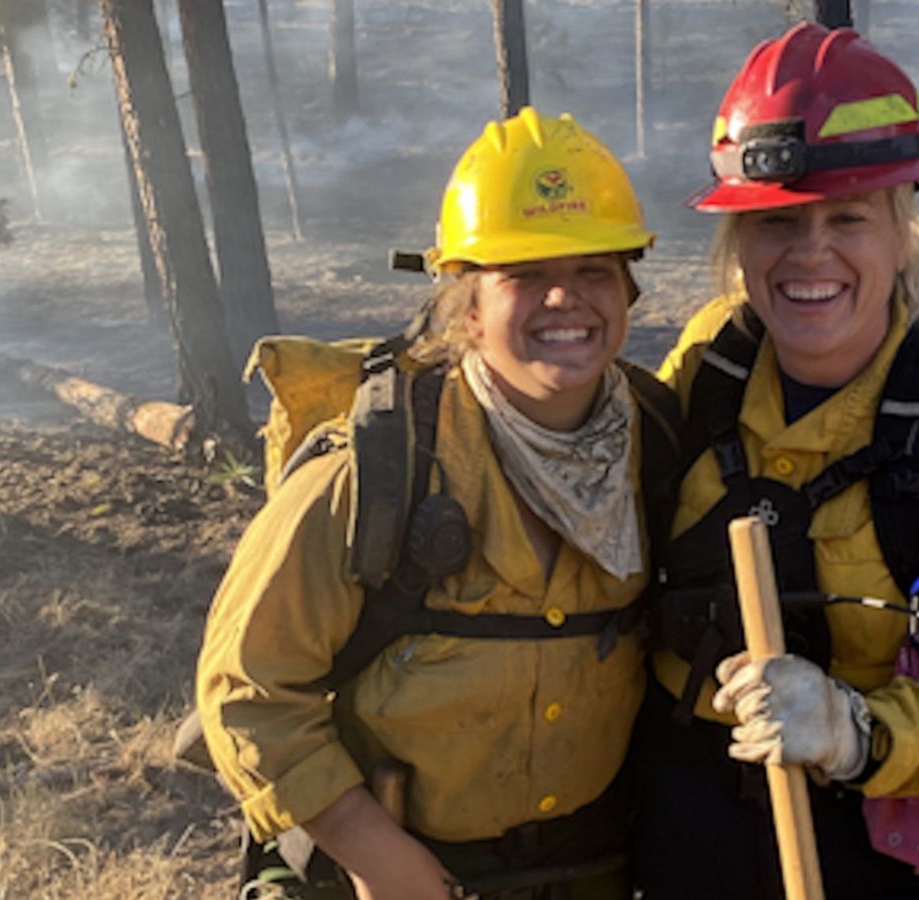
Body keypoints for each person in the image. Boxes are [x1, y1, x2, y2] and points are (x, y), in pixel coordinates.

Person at [632, 23, 919, 899]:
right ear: (738, 245)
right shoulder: (709, 365)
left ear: (900, 231)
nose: (811, 253)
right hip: (683, 816)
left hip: (869, 836)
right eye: (777, 223)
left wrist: (853, 731)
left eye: (847, 217)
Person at [196, 107, 675, 900]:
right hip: (395, 869)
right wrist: (378, 857)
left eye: (595, 269)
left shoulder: (659, 444)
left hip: (593, 866)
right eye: (523, 274)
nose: (567, 297)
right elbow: (246, 689)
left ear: (628, 289)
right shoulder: (377, 470)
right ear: (469, 308)